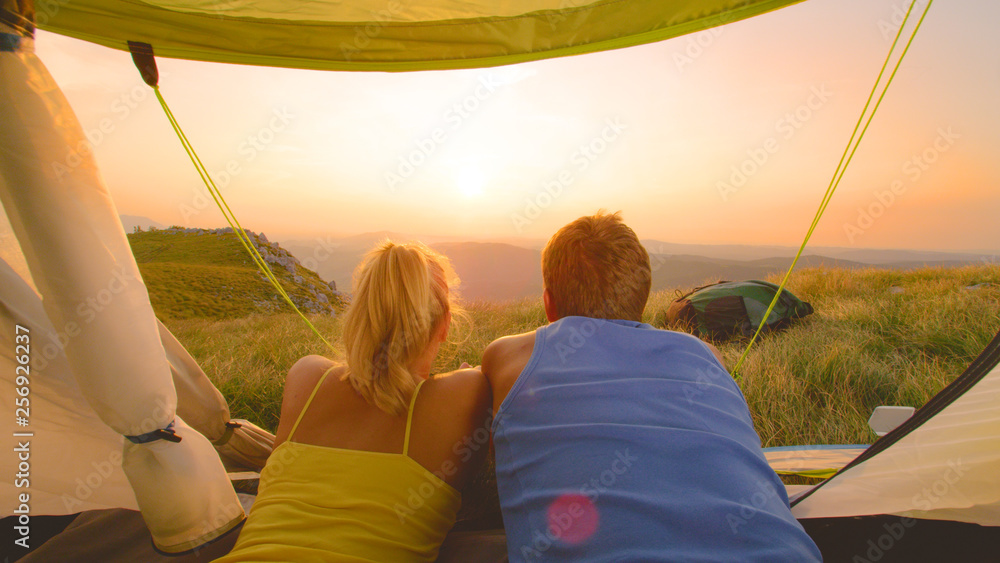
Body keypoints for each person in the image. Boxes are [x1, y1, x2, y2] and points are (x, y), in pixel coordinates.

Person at [482, 211, 822, 562]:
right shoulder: (707, 355)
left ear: (548, 303)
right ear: (642, 298)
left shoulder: (508, 355)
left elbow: (497, 450)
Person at [215, 241, 492, 562]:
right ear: (444, 324)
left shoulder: (307, 377)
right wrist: (460, 389)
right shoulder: (467, 391)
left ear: (358, 313)